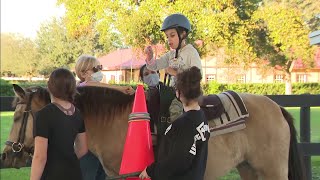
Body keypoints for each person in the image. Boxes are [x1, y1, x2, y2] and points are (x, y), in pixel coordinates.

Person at [139, 66, 210, 180]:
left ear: (178, 93)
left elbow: (177, 161)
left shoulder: (184, 124)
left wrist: (151, 170)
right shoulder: (201, 116)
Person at [74, 54, 134, 180]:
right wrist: (120, 88)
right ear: (83, 73)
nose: (99, 72)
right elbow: (93, 85)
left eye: (100, 68)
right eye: (95, 69)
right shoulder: (81, 89)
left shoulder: (94, 93)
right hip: (86, 143)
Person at [30, 68, 88, 180]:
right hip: (74, 173)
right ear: (72, 87)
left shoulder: (43, 115)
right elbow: (83, 149)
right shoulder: (78, 113)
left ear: (49, 86)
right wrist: (66, 160)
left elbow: (40, 157)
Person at [144, 13, 202, 86]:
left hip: (189, 96)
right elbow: (154, 66)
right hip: (174, 94)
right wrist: (150, 57)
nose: (169, 40)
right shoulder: (170, 54)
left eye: (172, 35)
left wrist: (175, 73)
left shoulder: (191, 52)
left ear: (183, 34)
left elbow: (197, 77)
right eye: (167, 37)